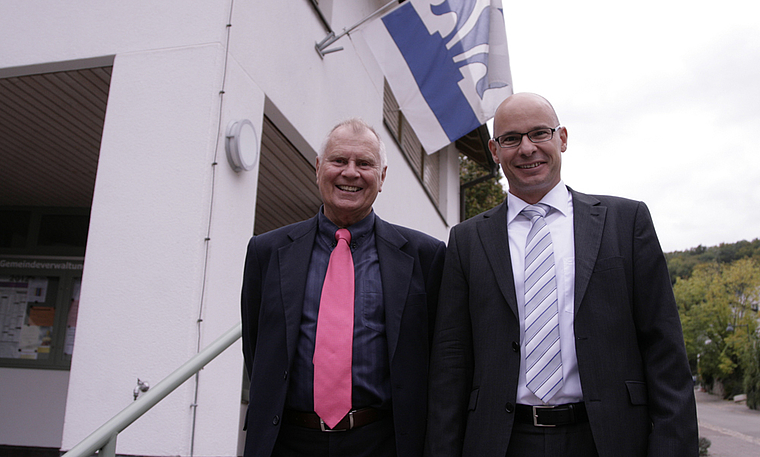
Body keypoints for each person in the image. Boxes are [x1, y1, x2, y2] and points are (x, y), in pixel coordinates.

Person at [425, 93, 698, 457]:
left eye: (539, 133)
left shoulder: (626, 223)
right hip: (500, 442)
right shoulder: (466, 240)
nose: (526, 148)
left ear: (562, 138)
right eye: (511, 138)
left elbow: (664, 351)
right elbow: (451, 362)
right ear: (494, 150)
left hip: (607, 439)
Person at [241, 118, 446, 457]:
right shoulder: (267, 252)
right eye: (339, 161)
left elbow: (437, 358)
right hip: (287, 441)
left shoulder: (425, 256)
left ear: (382, 177)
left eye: (364, 163)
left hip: (383, 441)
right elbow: (257, 346)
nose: (350, 172)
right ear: (319, 168)